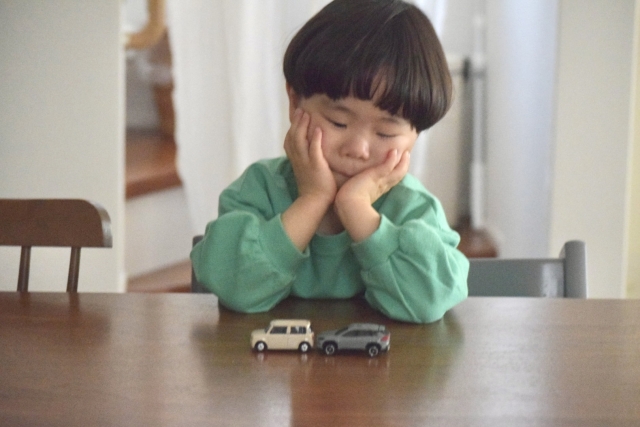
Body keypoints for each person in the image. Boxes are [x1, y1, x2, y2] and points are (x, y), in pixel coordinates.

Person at [191, 0, 469, 323]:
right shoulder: (260, 190)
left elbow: (429, 301)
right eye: (338, 122)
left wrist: (356, 208)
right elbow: (232, 286)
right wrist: (313, 199)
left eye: (385, 132)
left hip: (381, 370)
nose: (358, 148)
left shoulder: (413, 209)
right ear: (295, 101)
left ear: (415, 134)